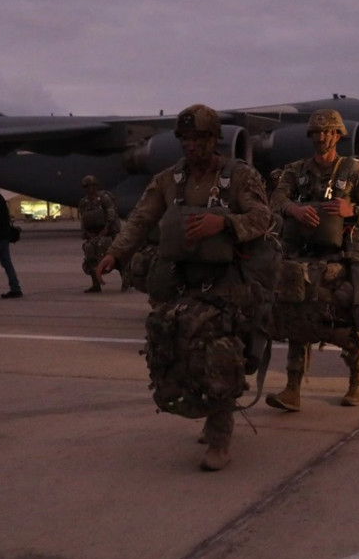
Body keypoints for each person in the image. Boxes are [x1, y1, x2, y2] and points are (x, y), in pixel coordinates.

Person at [95, 104, 272, 472]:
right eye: (184, 138)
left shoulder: (240, 176)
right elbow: (141, 219)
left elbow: (261, 218)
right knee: (175, 348)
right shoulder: (167, 180)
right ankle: (207, 411)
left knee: (220, 352)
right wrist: (115, 254)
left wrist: (221, 224)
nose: (190, 145)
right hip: (180, 280)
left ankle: (221, 438)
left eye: (197, 138)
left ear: (213, 139)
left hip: (228, 281)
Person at [265, 109, 359, 411]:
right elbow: (276, 200)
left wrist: (353, 211)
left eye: (328, 133)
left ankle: (356, 381)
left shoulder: (357, 171)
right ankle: (292, 389)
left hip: (343, 256)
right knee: (295, 314)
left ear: (337, 135)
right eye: (316, 133)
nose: (321, 138)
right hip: (303, 255)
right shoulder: (295, 171)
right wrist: (294, 210)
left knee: (347, 316)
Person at [78, 175, 122, 293]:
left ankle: (125, 282)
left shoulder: (104, 198)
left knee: (117, 257)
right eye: (87, 186)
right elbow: (83, 218)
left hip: (108, 232)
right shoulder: (84, 202)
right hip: (93, 233)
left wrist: (107, 227)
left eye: (91, 186)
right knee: (90, 256)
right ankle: (96, 285)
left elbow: (111, 212)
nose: (89, 189)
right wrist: (86, 233)